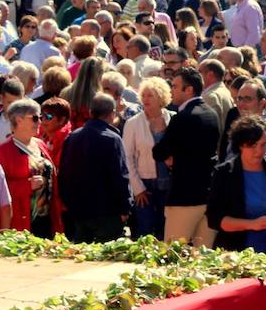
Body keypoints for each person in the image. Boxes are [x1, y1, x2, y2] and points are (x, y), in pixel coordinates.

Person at [206, 115, 266, 253]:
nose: (259, 151)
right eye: (252, 146)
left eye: (263, 144)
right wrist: (252, 225)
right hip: (237, 254)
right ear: (240, 145)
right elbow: (215, 219)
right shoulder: (225, 173)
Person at [152, 66, 221, 247]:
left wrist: (161, 131)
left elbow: (159, 152)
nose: (171, 90)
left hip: (184, 196)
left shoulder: (182, 118)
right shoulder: (211, 114)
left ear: (189, 89)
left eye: (175, 86)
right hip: (209, 194)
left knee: (172, 254)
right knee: (203, 257)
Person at [57, 93, 130, 242]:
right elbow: (120, 176)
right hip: (107, 212)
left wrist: (69, 203)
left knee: (82, 257)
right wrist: (125, 207)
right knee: (106, 260)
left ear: (91, 112)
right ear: (112, 114)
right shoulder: (112, 139)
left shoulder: (72, 137)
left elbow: (63, 173)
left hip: (79, 210)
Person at [0, 98, 53, 234]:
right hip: (21, 223)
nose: (40, 122)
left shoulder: (40, 144)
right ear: (19, 120)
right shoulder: (1, 153)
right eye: (35, 118)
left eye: (41, 117)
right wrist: (26, 186)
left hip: (45, 220)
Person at [122, 77, 171, 240]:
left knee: (166, 228)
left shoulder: (172, 119)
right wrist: (137, 188)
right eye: (144, 95)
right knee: (145, 229)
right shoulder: (133, 123)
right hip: (145, 184)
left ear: (161, 97)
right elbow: (127, 157)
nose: (146, 99)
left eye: (151, 95)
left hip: (168, 183)